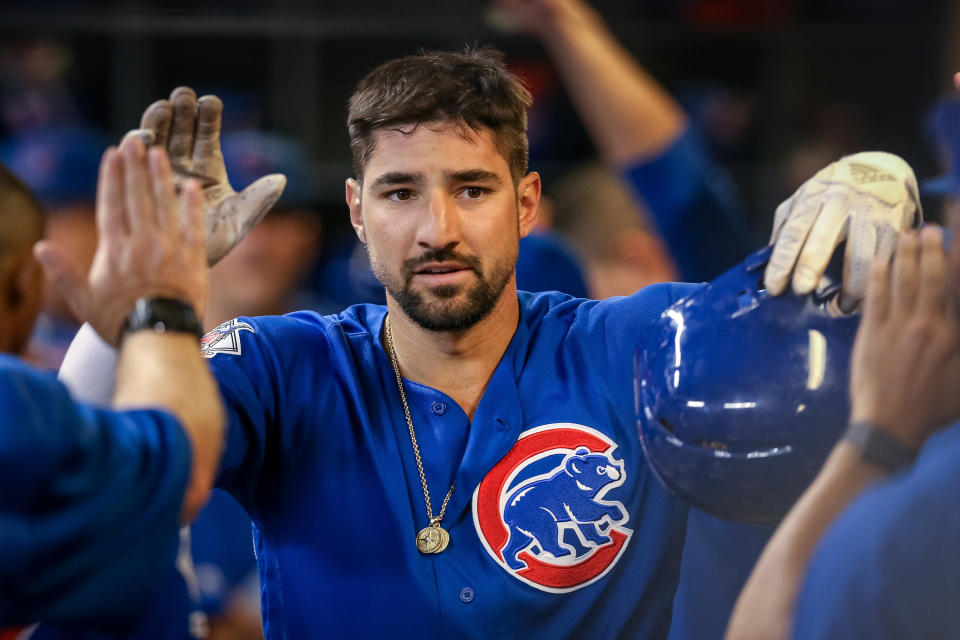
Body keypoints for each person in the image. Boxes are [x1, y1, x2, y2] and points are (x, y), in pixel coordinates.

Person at [60, 53, 918, 638]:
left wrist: (879, 186)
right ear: (358, 212)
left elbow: (827, 322)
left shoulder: (632, 341)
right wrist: (148, 294)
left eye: (472, 188)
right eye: (400, 193)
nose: (437, 229)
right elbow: (101, 471)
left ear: (527, 202)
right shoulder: (286, 363)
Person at [0, 138, 224, 630]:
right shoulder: (11, 398)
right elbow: (176, 475)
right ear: (24, 282)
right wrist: (160, 303)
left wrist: (108, 338)